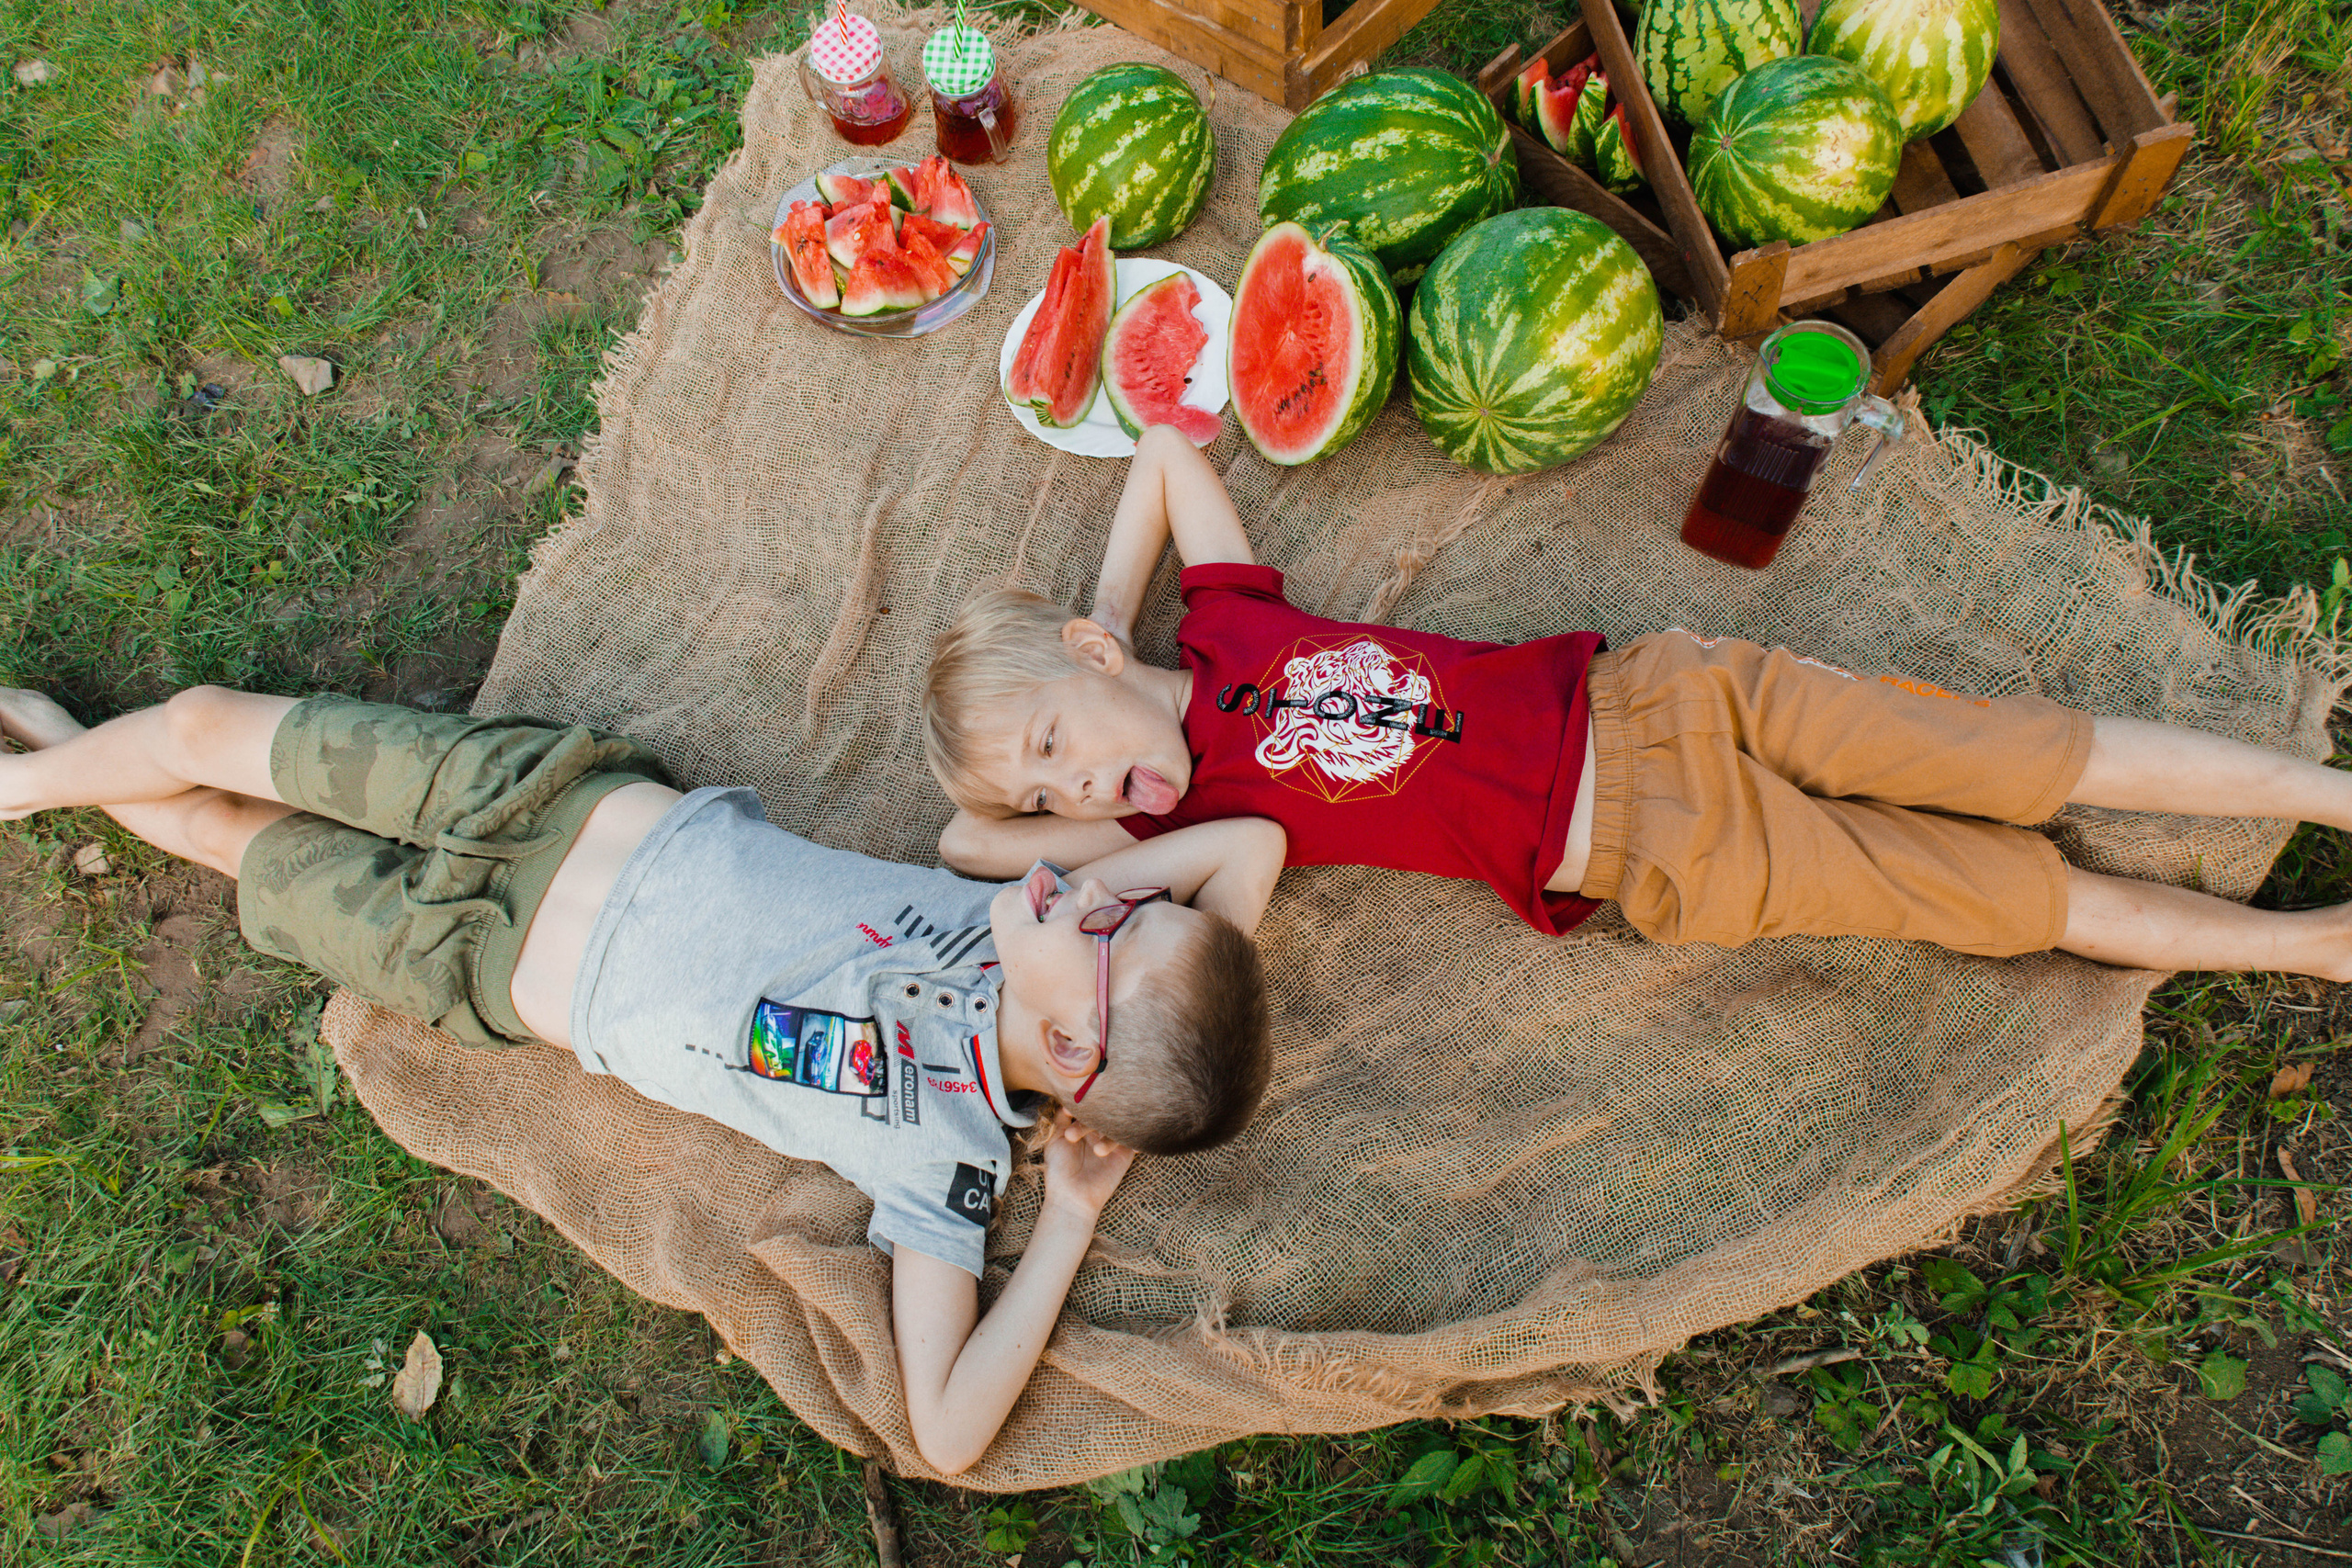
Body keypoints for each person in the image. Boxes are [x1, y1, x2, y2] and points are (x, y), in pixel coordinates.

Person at [0, 682, 1283, 1475]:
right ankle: (34, 778)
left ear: (1072, 1056)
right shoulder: (1006, 908)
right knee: (197, 725)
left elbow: (946, 1435)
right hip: (547, 804)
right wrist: (1128, 952)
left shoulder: (941, 1159)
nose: (1109, 890)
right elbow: (1253, 843)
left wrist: (1066, 1213)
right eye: (1134, 902)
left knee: (230, 839)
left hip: (479, 959)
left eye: (1116, 927)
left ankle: (63, 759)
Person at [922, 422, 2352, 980]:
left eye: (1056, 747)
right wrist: (1023, 802)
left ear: (1095, 660)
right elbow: (964, 852)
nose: (1073, 796)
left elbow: (1168, 462)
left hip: (1671, 699)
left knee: (2013, 748)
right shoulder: (1209, 823)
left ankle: (2328, 790)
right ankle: (2312, 948)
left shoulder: (1223, 623)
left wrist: (1110, 615)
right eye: (1047, 796)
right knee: (1993, 897)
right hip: (1670, 851)